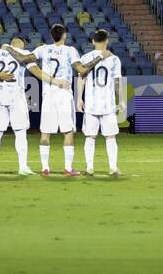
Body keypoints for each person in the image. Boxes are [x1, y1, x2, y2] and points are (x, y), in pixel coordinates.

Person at [6, 24, 100, 177]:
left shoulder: (42, 49)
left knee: (45, 132)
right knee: (68, 132)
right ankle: (68, 169)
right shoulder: (70, 51)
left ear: (51, 36)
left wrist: (8, 48)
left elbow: (22, 58)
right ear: (64, 36)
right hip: (64, 93)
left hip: (48, 94)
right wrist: (100, 57)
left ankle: (45, 168)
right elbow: (82, 70)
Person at [0, 36, 35, 176]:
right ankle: (22, 166)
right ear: (20, 44)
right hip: (16, 96)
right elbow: (33, 64)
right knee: (20, 132)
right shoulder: (23, 53)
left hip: (0, 95)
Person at [78, 28, 124, 177]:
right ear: (107, 41)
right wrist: (121, 100)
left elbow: (81, 78)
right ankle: (113, 168)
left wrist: (79, 98)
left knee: (90, 137)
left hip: (91, 103)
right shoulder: (114, 59)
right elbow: (117, 82)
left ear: (93, 41)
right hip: (108, 104)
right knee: (110, 137)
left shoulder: (85, 57)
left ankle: (90, 167)